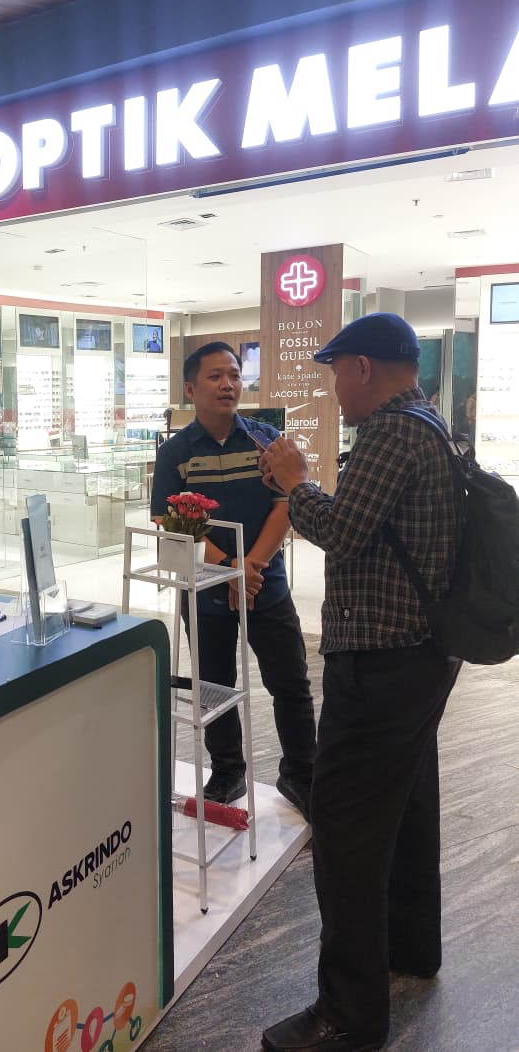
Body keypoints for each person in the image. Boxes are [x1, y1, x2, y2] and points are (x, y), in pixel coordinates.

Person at [259, 313, 462, 1052]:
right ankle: (410, 947)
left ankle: (349, 1013)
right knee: (405, 808)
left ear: (364, 368)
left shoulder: (389, 433)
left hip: (378, 664)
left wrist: (295, 484)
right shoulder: (429, 425)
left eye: (336, 372)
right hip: (420, 657)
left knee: (344, 826)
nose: (334, 388)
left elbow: (341, 532)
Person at [150, 343, 316, 815]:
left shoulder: (268, 442)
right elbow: (166, 521)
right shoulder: (175, 453)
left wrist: (250, 567)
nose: (228, 385)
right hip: (205, 589)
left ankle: (302, 773)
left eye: (235, 375)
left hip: (265, 583)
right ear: (190, 389)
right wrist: (229, 567)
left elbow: (288, 503)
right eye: (215, 376)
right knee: (213, 685)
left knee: (290, 681)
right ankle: (227, 771)